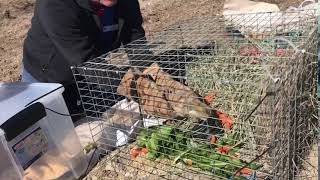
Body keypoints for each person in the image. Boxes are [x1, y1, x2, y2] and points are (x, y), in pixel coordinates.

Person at [21, 0, 146, 121]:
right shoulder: (54, 4)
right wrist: (136, 86)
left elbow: (135, 39)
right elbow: (86, 60)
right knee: (55, 133)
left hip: (91, 72)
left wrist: (148, 73)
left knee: (99, 123)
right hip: (48, 76)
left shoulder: (125, 2)